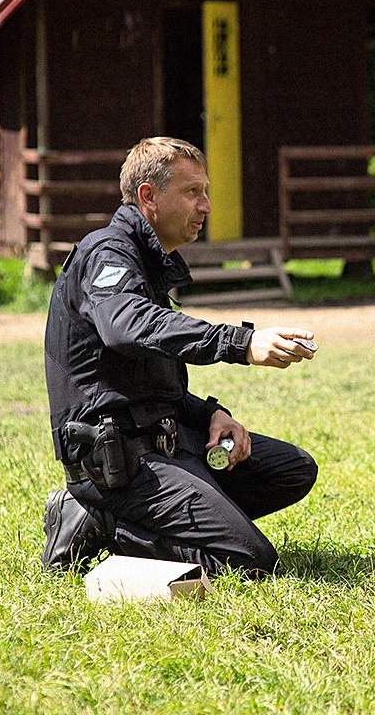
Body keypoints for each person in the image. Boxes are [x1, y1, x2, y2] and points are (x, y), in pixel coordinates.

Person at [40, 137, 319, 577]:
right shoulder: (107, 253)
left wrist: (213, 414)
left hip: (168, 443)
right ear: (148, 196)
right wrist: (241, 343)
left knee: (292, 470)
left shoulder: (150, 264)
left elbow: (154, 381)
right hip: (120, 464)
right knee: (251, 559)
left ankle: (190, 516)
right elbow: (125, 326)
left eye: (205, 192)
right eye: (193, 192)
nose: (206, 206)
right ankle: (102, 522)